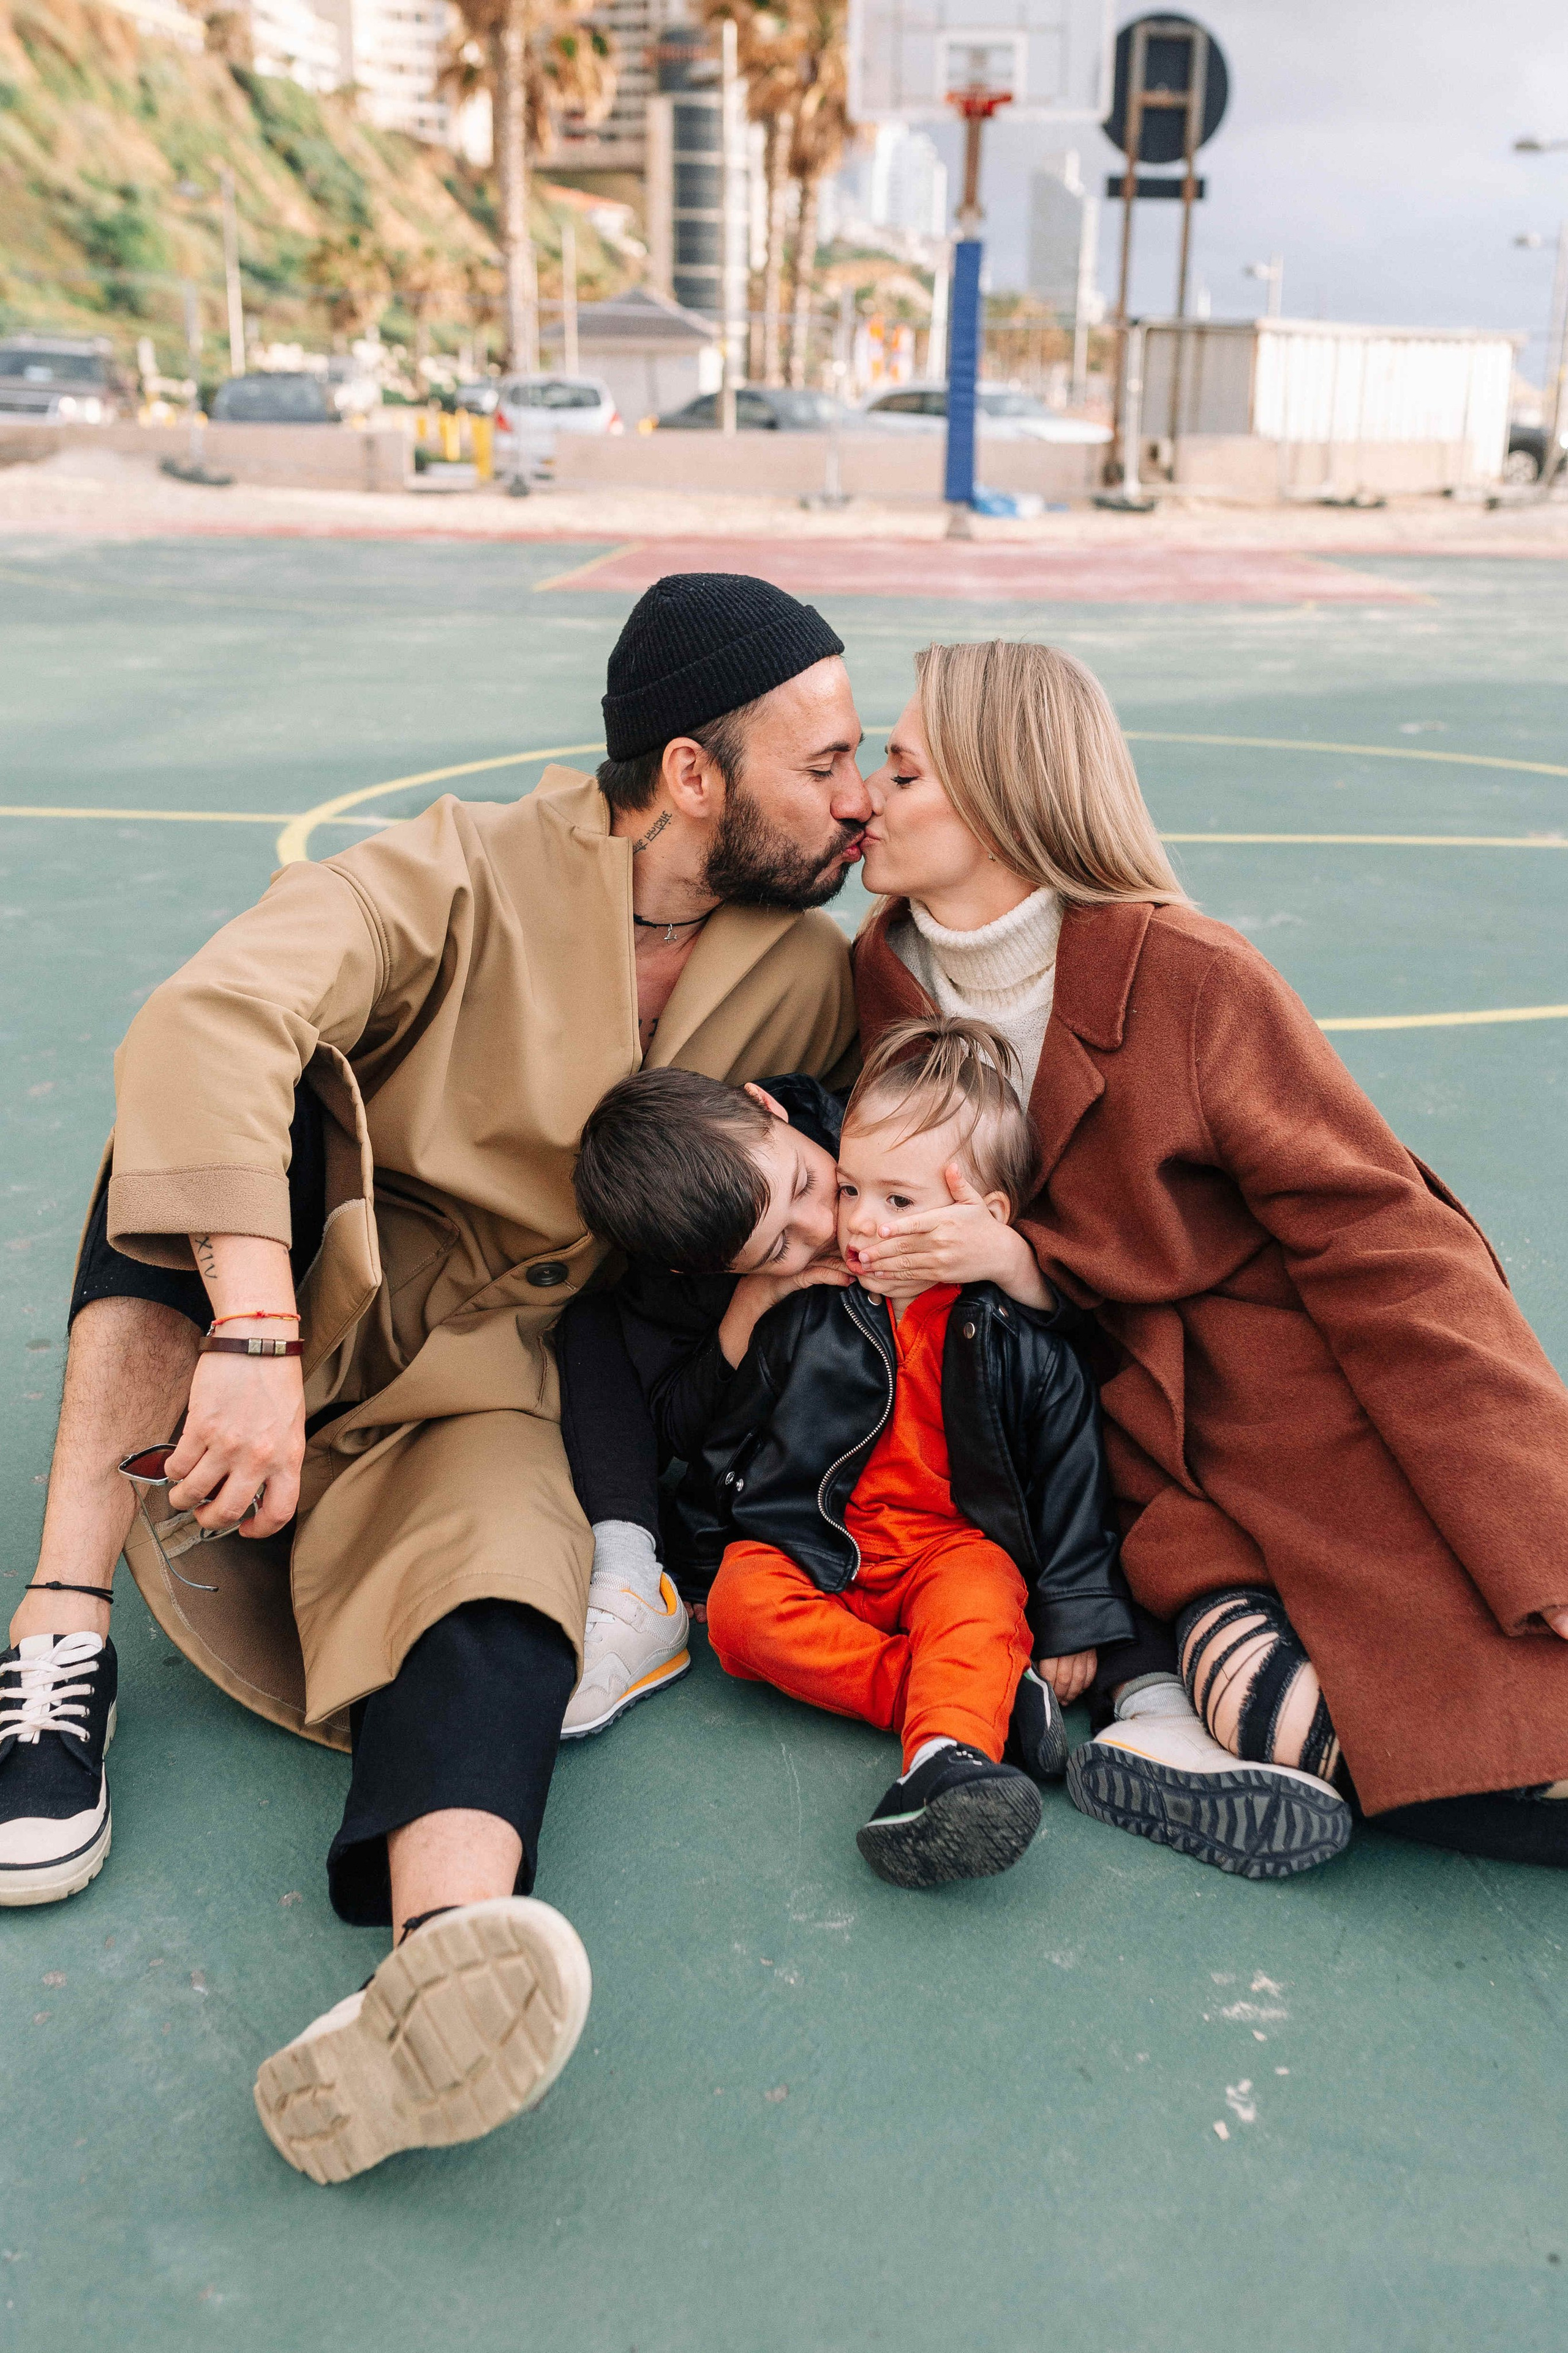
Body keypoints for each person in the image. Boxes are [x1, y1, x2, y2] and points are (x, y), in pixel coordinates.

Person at [0, 572, 870, 2182]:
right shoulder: (457, 865)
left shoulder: (804, 968)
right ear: (692, 775)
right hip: (318, 1291)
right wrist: (255, 1330)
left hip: (503, 1377)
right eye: (823, 765)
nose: (860, 797)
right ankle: (60, 1633)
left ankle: (441, 1970)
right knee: (181, 1125)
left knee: (499, 1592)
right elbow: (213, 1015)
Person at [848, 638, 1568, 1875]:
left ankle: (1260, 1728)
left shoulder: (1190, 977)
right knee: (1281, 1677)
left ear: (1003, 795)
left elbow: (1387, 1244)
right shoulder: (876, 986)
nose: (866, 795)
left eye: (901, 773)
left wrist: (1543, 1518)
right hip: (1090, 1435)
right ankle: (1205, 1720)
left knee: (1477, 1666)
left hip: (1276, 1384)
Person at [590, 1016, 1135, 1888]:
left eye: (897, 1201)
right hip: (818, 1544)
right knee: (740, 1608)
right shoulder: (808, 1307)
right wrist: (698, 1558)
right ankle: (967, 1702)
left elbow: (1072, 1471)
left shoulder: (1010, 1334)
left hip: (946, 1546)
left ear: (983, 1217)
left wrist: (1075, 1612)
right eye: (854, 1190)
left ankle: (945, 1763)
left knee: (982, 1591)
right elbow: (735, 1441)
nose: (856, 1224)